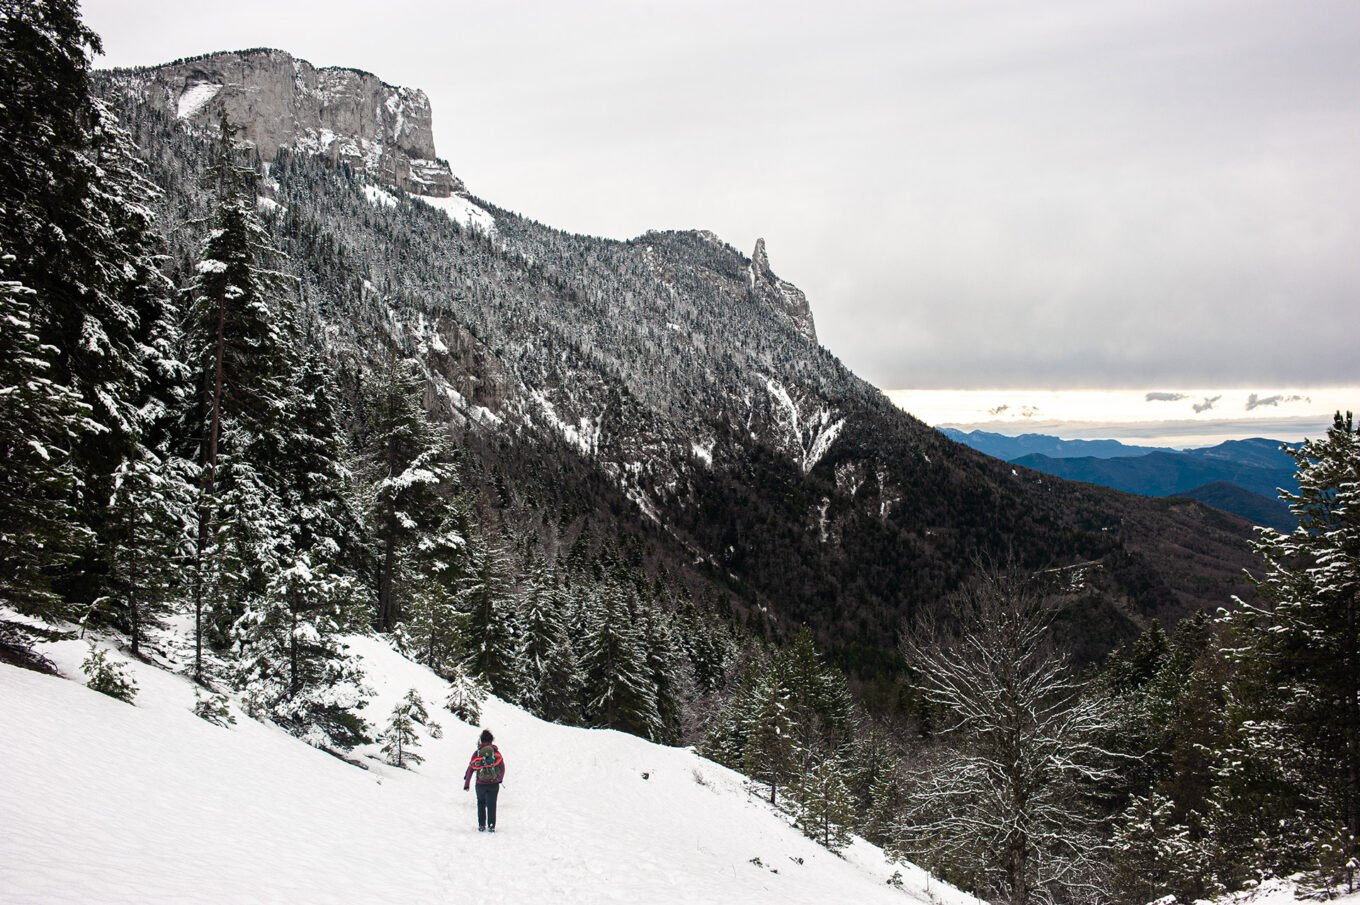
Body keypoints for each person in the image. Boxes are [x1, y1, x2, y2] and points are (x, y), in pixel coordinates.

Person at [463, 728, 505, 832]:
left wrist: (467, 783)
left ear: (481, 740)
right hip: (493, 784)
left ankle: (482, 825)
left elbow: (471, 768)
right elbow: (502, 767)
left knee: (481, 802)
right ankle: (491, 826)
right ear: (491, 740)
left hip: (480, 784)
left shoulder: (477, 753)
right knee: (492, 804)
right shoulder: (495, 753)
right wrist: (499, 779)